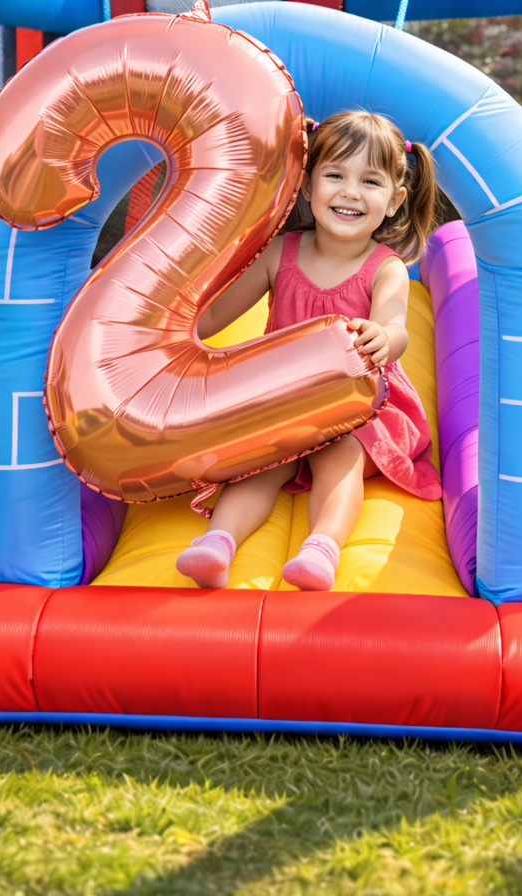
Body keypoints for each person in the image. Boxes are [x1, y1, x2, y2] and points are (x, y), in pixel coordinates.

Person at [177, 110, 441, 591]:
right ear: (307, 184)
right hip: (287, 400)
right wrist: (168, 322)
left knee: (338, 454)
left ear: (395, 200)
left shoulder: (385, 268)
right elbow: (211, 318)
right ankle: (217, 545)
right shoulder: (280, 253)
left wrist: (383, 338)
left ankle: (321, 548)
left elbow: (395, 327)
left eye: (370, 181)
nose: (350, 192)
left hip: (362, 406)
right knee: (262, 460)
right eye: (335, 175)